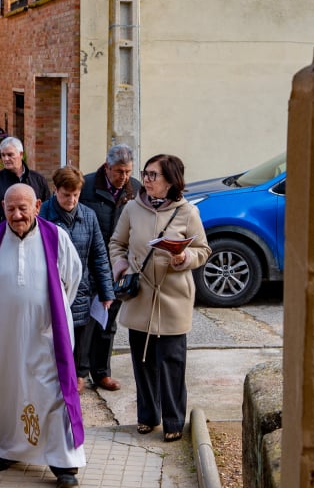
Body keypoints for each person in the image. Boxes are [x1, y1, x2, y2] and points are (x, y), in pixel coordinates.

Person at [0, 184, 85, 488]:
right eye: (10, 209)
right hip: (7, 332)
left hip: (47, 332)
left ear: (37, 206)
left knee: (53, 391)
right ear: (3, 207)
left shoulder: (56, 237)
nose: (17, 215)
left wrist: (49, 312)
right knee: (11, 390)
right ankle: (10, 450)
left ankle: (64, 462)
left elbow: (72, 278)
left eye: (23, 208)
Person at [109, 153, 211, 442]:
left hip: (173, 298)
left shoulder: (188, 212)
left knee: (171, 364)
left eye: (153, 175)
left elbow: (203, 250)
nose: (147, 179)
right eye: (146, 173)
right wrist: (122, 266)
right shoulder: (132, 208)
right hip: (140, 296)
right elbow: (117, 243)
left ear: (170, 180)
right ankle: (147, 416)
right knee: (143, 362)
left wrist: (184, 257)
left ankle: (174, 421)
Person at [39, 167, 115, 392]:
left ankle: (79, 375)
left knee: (81, 332)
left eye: (76, 194)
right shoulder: (43, 215)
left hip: (82, 286)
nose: (71, 200)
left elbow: (99, 255)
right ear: (55, 190)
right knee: (54, 332)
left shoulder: (88, 216)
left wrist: (106, 291)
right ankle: (54, 373)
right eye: (66, 195)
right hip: (52, 287)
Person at [79, 145, 143, 391]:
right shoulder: (87, 186)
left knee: (108, 322)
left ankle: (102, 373)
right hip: (89, 265)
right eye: (119, 171)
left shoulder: (135, 189)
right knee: (86, 322)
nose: (123, 177)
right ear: (107, 167)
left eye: (128, 171)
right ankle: (79, 373)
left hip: (117, 266)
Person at [0, 136, 50, 222]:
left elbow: (47, 209)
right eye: (3, 155)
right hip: (4, 229)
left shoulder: (38, 180)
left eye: (10, 155)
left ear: (21, 154)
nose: (6, 159)